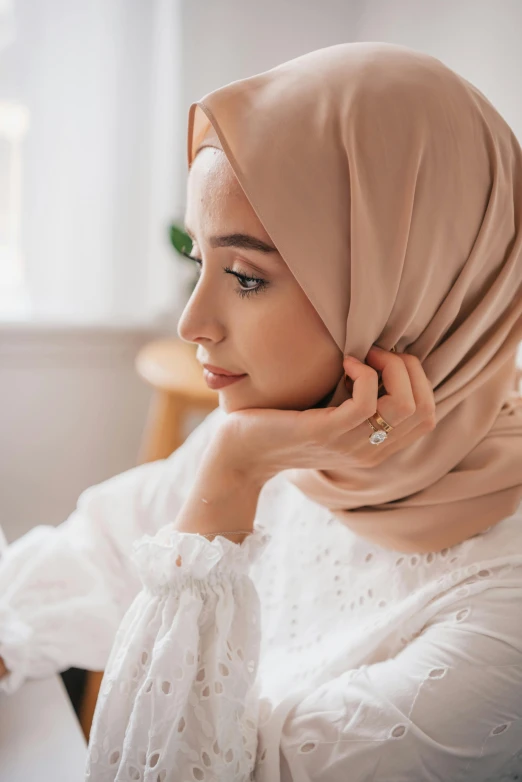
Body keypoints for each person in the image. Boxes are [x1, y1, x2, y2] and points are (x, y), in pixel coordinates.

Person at [1, 41, 522, 782]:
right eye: (199, 260)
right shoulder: (303, 429)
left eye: (244, 277)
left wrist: (232, 475)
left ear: (407, 289)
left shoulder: (503, 614)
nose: (191, 323)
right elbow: (100, 548)